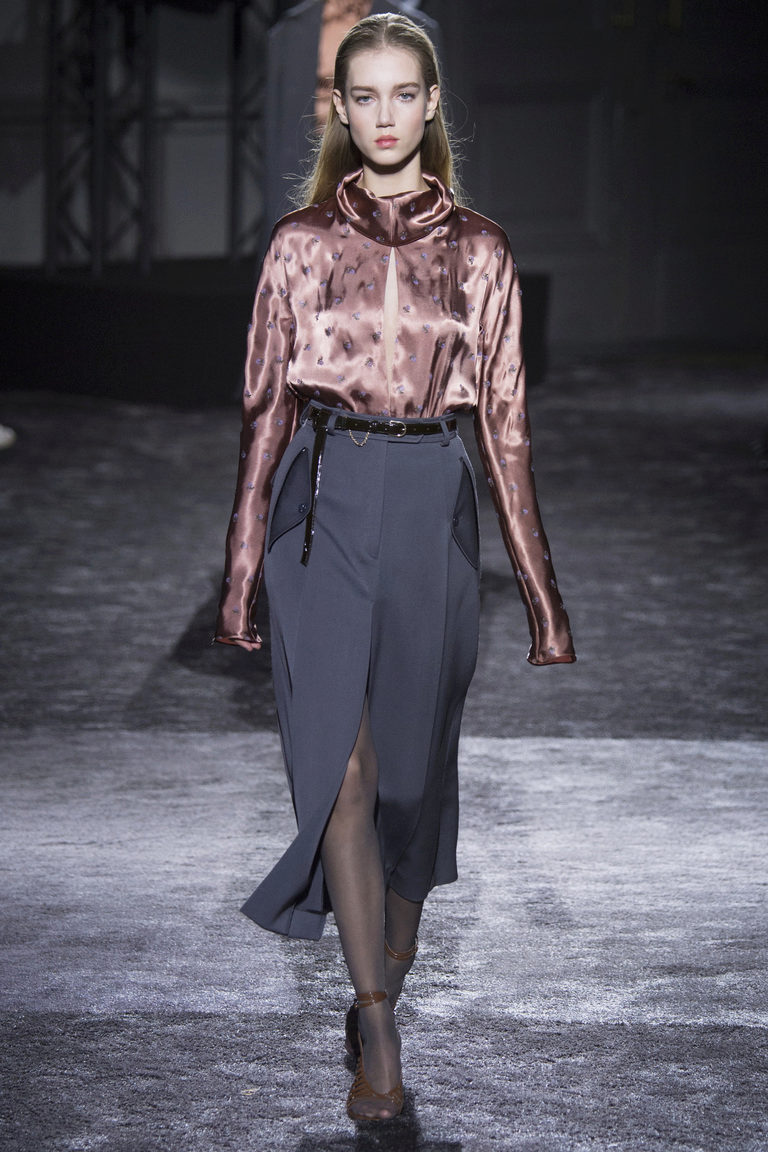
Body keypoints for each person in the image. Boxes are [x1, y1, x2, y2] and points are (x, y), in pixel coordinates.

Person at [214, 12, 575, 1122]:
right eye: (361, 96)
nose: (382, 116)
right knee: (344, 771)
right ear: (339, 107)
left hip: (430, 504)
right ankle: (378, 1030)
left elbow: (505, 429)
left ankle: (391, 956)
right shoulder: (299, 247)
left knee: (412, 786)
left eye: (401, 94)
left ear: (431, 104)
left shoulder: (482, 253)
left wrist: (542, 599)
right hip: (319, 507)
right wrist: (240, 570)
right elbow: (264, 414)